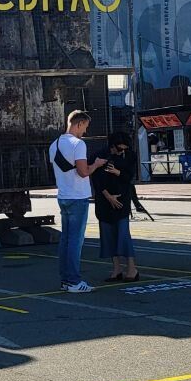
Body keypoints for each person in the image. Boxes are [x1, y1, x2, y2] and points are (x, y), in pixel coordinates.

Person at [49, 110, 107, 293]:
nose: (85, 132)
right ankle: (74, 281)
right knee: (75, 241)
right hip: (78, 197)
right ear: (79, 124)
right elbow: (83, 172)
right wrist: (96, 165)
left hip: (64, 196)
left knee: (65, 240)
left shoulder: (54, 144)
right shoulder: (78, 144)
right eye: (85, 127)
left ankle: (66, 280)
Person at [92, 132, 138, 282]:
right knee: (108, 234)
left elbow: (129, 176)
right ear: (112, 146)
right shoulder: (100, 155)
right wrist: (107, 195)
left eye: (124, 149)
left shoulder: (130, 155)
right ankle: (116, 269)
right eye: (119, 149)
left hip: (122, 199)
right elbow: (96, 179)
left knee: (123, 234)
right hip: (104, 201)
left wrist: (117, 172)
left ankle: (132, 269)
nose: (122, 152)